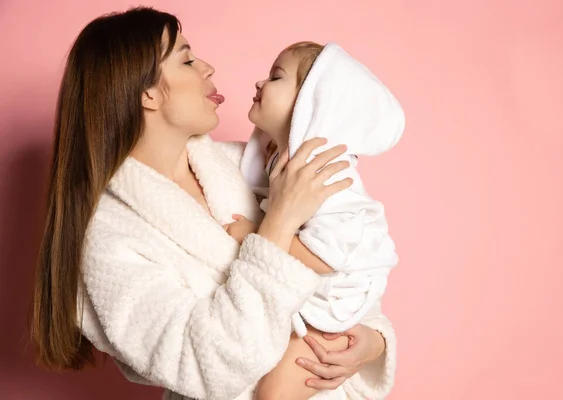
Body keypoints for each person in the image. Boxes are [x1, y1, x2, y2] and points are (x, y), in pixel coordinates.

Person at [31, 7, 397, 400]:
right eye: (187, 59)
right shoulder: (109, 238)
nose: (208, 68)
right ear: (147, 92)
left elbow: (351, 268)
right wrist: (277, 224)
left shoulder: (252, 168)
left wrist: (371, 341)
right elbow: (206, 365)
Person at [224, 41, 404, 400]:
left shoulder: (325, 171)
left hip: (335, 302)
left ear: (313, 104)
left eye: (276, 77)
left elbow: (326, 256)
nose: (260, 83)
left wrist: (254, 235)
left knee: (274, 394)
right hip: (307, 297)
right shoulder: (277, 160)